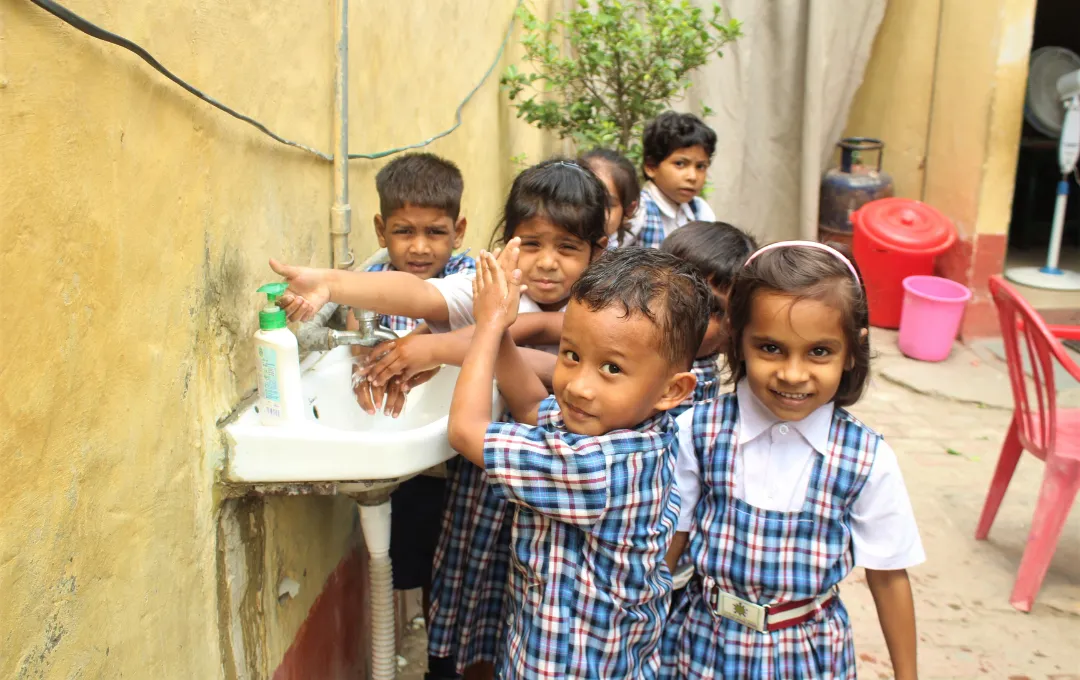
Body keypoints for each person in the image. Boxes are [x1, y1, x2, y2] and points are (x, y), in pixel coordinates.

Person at [447, 246, 712, 679]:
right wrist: (503, 332)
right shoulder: (632, 425)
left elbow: (465, 431)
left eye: (611, 368)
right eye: (570, 355)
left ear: (672, 390)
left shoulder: (598, 468)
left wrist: (488, 326)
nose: (578, 387)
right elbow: (531, 406)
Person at [667, 241, 924, 679]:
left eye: (819, 352)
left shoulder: (866, 458)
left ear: (852, 349)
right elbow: (672, 542)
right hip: (699, 643)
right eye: (770, 348)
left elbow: (888, 575)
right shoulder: (698, 430)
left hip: (808, 655)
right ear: (738, 339)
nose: (792, 373)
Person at [658, 221, 758, 419]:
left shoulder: (691, 382)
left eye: (711, 307)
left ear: (730, 335)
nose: (681, 311)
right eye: (673, 292)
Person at [627, 112, 717, 249]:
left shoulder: (700, 211)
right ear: (651, 167)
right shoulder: (638, 210)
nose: (692, 176)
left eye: (700, 166)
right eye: (680, 164)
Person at [578, 148, 640, 249]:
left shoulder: (620, 257)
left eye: (607, 204)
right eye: (584, 198)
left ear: (629, 209)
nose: (593, 210)